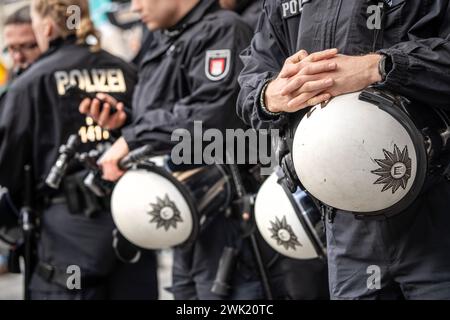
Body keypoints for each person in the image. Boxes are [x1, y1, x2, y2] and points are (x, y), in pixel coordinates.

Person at [237, 1, 450, 300]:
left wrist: (379, 66)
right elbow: (252, 82)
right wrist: (269, 95)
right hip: (343, 219)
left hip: (436, 209)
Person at [79, 0, 268, 300]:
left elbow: (213, 116)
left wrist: (133, 137)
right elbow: (167, 117)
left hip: (229, 218)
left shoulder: (223, 30)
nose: (135, 7)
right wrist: (124, 121)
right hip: (185, 216)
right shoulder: (163, 38)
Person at [0, 0, 158, 300]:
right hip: (132, 222)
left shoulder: (31, 82)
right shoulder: (125, 69)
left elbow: (7, 165)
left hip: (64, 238)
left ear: (45, 27)